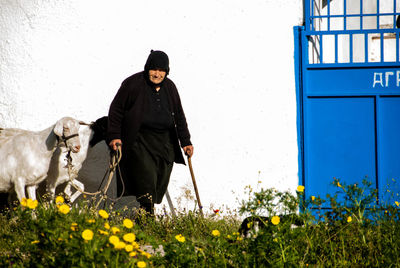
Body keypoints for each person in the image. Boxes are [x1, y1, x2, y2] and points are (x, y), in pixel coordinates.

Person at [107, 50, 193, 215]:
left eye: (162, 70)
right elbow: (116, 111)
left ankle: (146, 214)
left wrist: (186, 141)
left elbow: (179, 116)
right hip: (140, 141)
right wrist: (114, 136)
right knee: (146, 178)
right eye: (154, 69)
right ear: (147, 68)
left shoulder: (170, 87)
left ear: (167, 71)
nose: (157, 74)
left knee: (159, 180)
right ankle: (146, 217)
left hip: (165, 142)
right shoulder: (132, 84)